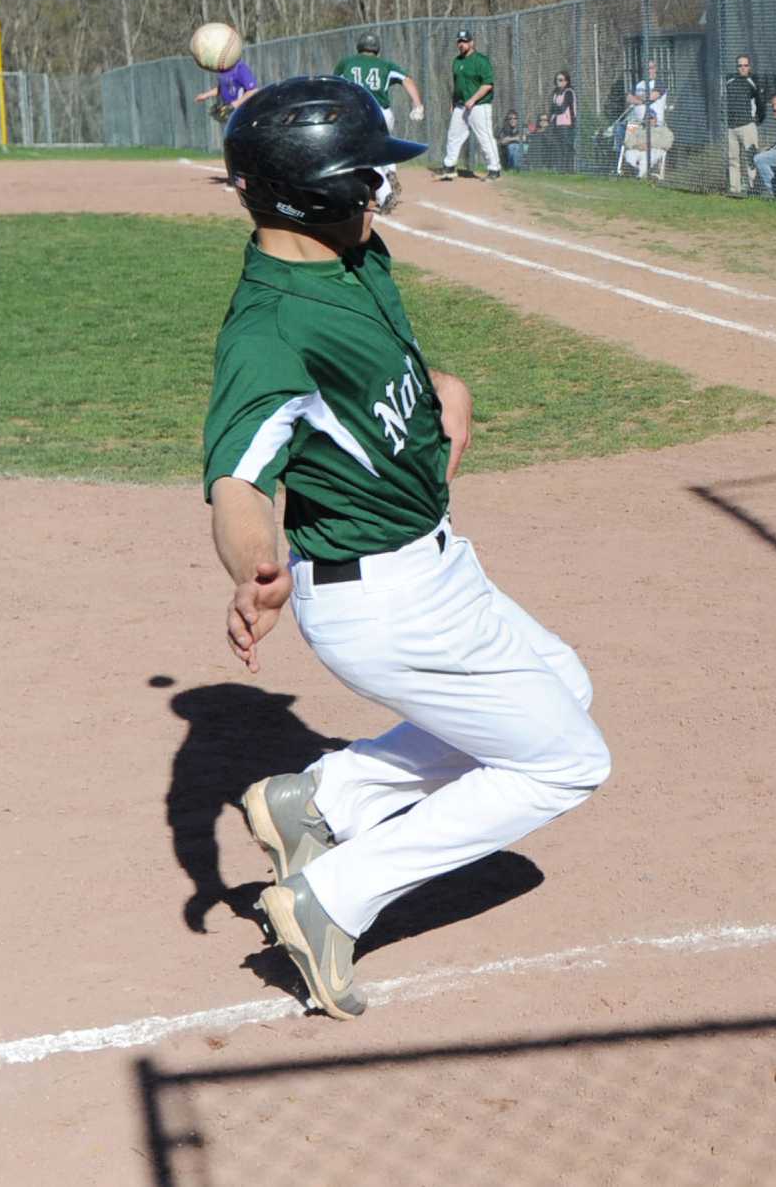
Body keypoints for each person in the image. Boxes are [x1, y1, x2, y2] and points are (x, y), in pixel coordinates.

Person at [206, 76, 611, 1018]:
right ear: (315, 198)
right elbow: (238, 479)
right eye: (366, 180)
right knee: (567, 760)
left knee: (564, 684)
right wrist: (253, 564)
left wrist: (448, 387)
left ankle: (324, 803)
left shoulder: (351, 258)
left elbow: (389, 366)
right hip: (381, 602)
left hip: (436, 564)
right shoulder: (268, 332)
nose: (381, 193)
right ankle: (331, 896)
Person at [331, 34, 426, 208]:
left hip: (359, 111)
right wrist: (417, 104)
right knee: (385, 146)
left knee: (366, 155)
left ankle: (384, 193)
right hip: (383, 112)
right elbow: (407, 80)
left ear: (359, 46)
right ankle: (390, 171)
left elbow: (334, 84)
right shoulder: (385, 64)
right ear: (377, 48)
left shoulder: (347, 62)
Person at [438, 29, 499, 182]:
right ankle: (449, 167)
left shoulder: (481, 60)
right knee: (453, 135)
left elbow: (487, 84)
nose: (461, 44)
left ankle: (494, 168)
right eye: (459, 41)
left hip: (479, 105)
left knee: (484, 137)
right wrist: (453, 102)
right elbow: (457, 85)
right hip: (460, 106)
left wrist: (473, 99)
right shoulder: (457, 61)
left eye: (464, 41)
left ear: (472, 43)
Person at [722, 54, 763, 195]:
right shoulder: (730, 81)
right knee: (733, 159)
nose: (743, 68)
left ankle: (753, 188)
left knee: (750, 158)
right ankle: (735, 189)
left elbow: (760, 102)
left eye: (745, 65)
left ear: (749, 67)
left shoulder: (753, 82)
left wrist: (758, 119)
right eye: (740, 65)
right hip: (731, 127)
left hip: (747, 125)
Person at [195, 57, 259, 124]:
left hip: (244, 114)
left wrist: (233, 106)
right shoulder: (224, 70)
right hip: (233, 116)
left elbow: (253, 90)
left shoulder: (240, 68)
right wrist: (205, 95)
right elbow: (222, 88)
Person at [545, 71, 577, 172]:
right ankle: (561, 169)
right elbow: (552, 108)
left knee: (566, 147)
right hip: (556, 124)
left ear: (566, 81)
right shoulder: (555, 93)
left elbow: (562, 108)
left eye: (561, 80)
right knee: (559, 147)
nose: (559, 82)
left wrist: (555, 108)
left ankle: (569, 170)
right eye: (557, 80)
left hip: (567, 124)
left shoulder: (569, 92)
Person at [626, 60, 667, 126]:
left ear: (655, 69)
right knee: (624, 132)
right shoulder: (639, 84)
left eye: (650, 68)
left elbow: (650, 97)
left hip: (653, 122)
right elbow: (628, 98)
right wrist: (642, 101)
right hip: (634, 121)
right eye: (646, 69)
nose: (648, 71)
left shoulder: (659, 84)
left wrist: (636, 98)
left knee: (648, 135)